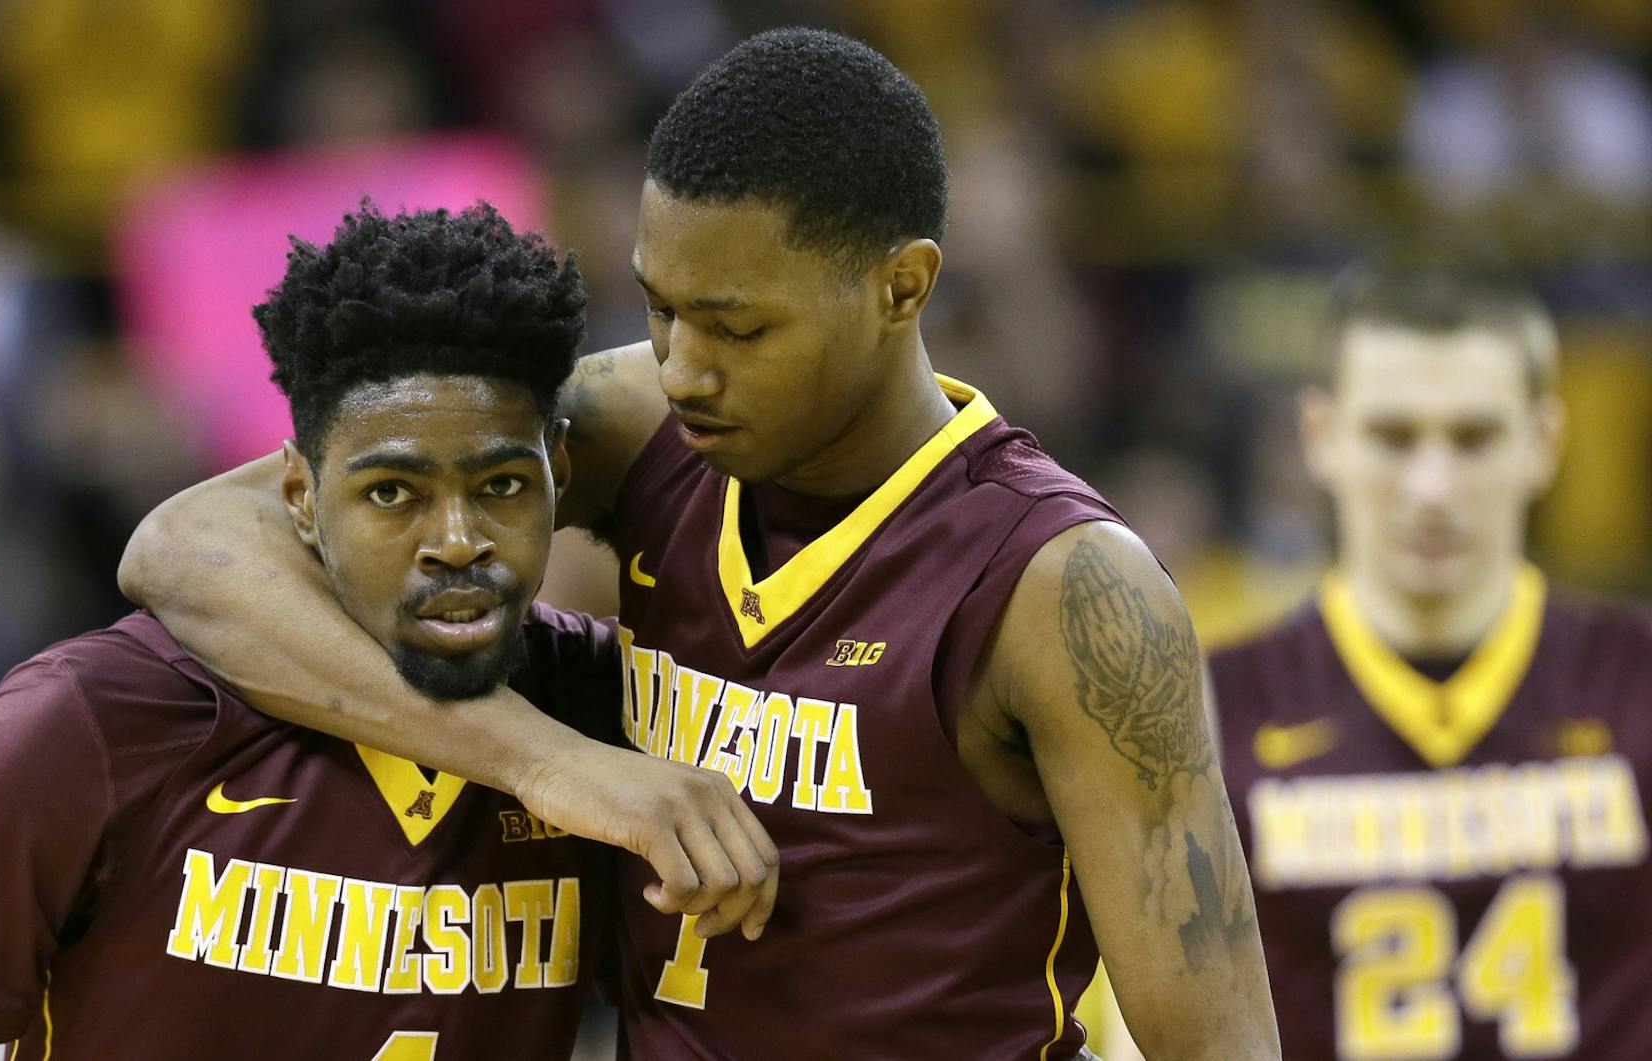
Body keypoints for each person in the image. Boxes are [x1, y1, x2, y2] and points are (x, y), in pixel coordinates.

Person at [121, 28, 1279, 1060]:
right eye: (660, 309)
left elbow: (1214, 1041)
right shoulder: (649, 429)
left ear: (900, 287)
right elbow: (189, 543)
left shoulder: (1063, 589)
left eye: (736, 326)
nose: (683, 366)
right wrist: (553, 761)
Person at [0, 202, 653, 1059]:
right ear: (297, 495)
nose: (456, 541)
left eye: (503, 486)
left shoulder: (611, 707)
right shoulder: (90, 722)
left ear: (561, 470)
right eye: (392, 493)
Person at [1213, 265, 1652, 1059]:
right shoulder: (1206, 708)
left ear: (1544, 441)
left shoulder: (1639, 679)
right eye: (1393, 436)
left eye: (1474, 437)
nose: (1431, 487)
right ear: (1320, 436)